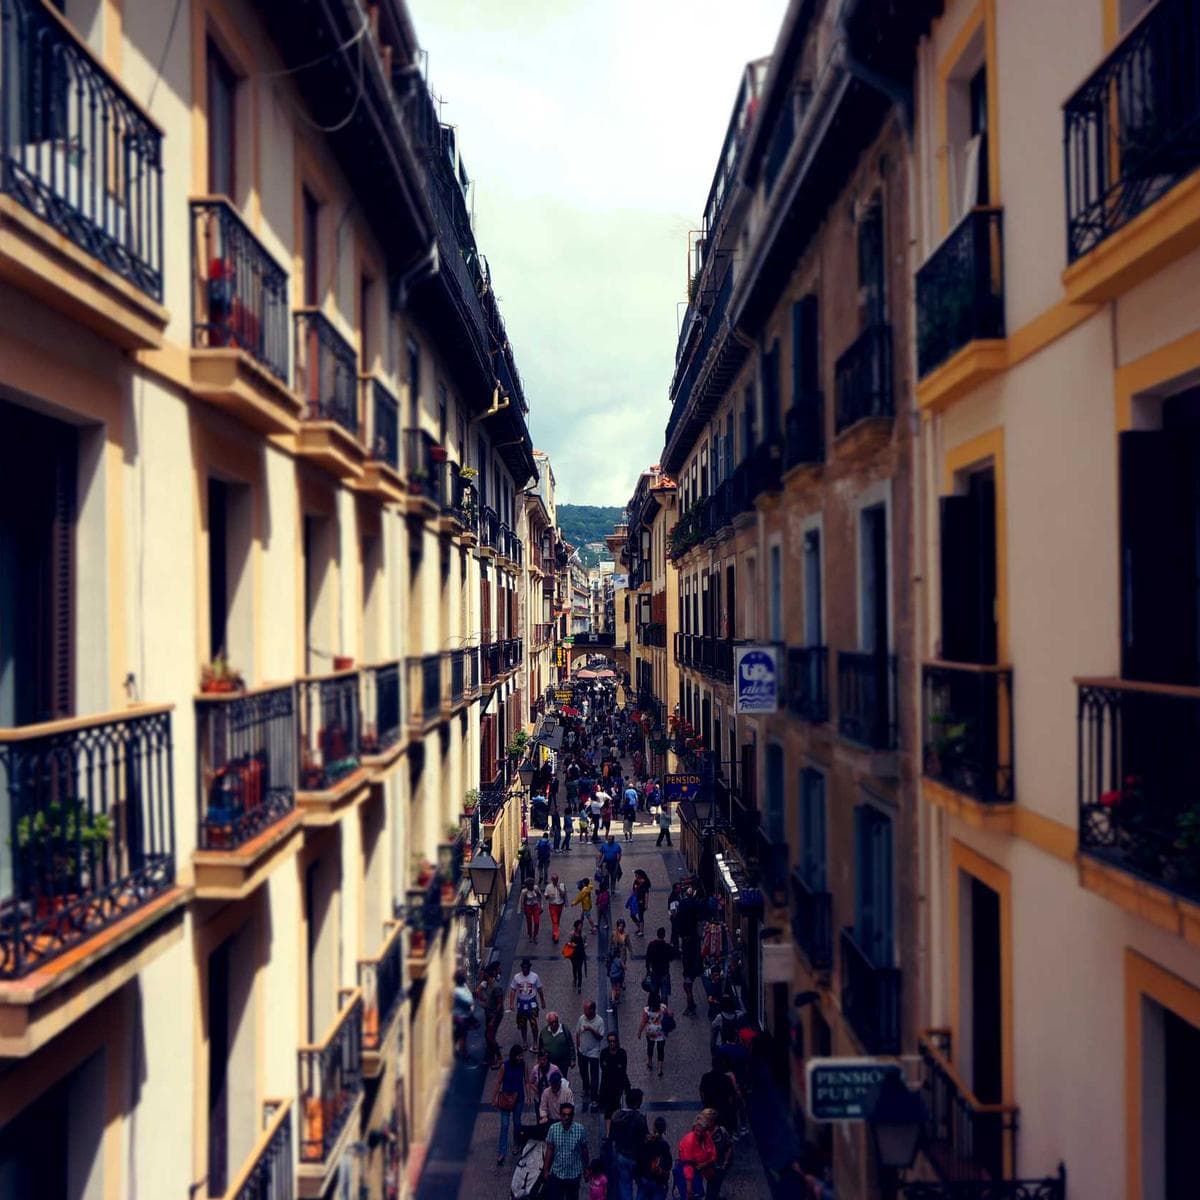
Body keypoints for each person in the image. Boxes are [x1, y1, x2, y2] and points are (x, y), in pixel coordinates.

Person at [543, 1101, 589, 1200]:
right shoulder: (553, 1129)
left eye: (569, 1115)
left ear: (572, 1116)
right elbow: (549, 1150)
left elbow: (584, 1150)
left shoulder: (580, 1129)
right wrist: (546, 1170)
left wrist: (586, 1169)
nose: (566, 1117)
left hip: (574, 1175)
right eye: (564, 1115)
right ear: (560, 1115)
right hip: (557, 1173)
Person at [609, 1087, 648, 1200]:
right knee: (643, 1184)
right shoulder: (640, 1119)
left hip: (621, 1155)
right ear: (637, 1103)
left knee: (625, 1185)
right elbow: (644, 1139)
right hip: (636, 1158)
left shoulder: (616, 1116)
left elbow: (612, 1137)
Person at [494, 1044, 527, 1165]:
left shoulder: (523, 1065)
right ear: (514, 1056)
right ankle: (502, 1151)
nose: (521, 1058)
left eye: (521, 1056)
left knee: (517, 1123)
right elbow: (498, 1082)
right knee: (505, 1124)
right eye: (519, 1056)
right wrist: (494, 1097)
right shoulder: (505, 1066)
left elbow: (526, 1080)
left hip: (518, 1098)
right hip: (506, 1099)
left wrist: (528, 1095)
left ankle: (516, 1143)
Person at [674, 1112, 717, 1200]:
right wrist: (689, 1187)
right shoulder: (689, 1142)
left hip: (700, 1171)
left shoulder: (706, 1136)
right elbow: (687, 1165)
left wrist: (705, 1164)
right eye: (696, 1130)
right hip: (687, 1173)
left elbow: (712, 1153)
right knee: (688, 1195)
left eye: (701, 1131)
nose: (698, 1133)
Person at [507, 958, 546, 1048]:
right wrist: (511, 1003)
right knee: (522, 1024)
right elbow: (513, 990)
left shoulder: (535, 976)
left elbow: (539, 989)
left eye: (526, 967)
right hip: (521, 1002)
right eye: (523, 968)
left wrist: (542, 1001)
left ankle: (535, 1042)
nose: (524, 969)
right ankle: (524, 1041)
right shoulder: (517, 977)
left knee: (533, 1024)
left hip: (531, 1002)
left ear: (529, 967)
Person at [597, 1031, 630, 1134]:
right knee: (608, 1109)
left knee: (615, 1107)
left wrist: (626, 1086)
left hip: (618, 1085)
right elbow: (604, 1067)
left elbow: (622, 1070)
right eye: (610, 1041)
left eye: (614, 1041)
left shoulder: (622, 1053)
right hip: (606, 1085)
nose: (612, 1043)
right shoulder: (604, 1053)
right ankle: (608, 1133)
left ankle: (613, 1129)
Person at [575, 1000, 605, 1110]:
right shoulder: (582, 1018)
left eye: (586, 1009)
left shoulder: (599, 1021)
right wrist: (578, 1046)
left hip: (594, 1052)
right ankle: (586, 1088)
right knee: (583, 1071)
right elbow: (577, 1032)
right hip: (582, 1051)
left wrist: (591, 1029)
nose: (584, 1011)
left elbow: (600, 1037)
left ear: (592, 1010)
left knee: (594, 1075)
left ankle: (594, 1098)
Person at [637, 991, 673, 1078]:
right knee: (661, 1049)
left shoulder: (647, 1010)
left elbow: (643, 1022)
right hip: (660, 1031)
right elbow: (670, 1014)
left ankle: (650, 1062)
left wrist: (639, 1032)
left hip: (651, 1031)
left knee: (650, 1046)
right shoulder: (663, 1007)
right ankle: (660, 1068)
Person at [635, 1117, 673, 1200]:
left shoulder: (646, 1142)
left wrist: (639, 1177)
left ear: (653, 1127)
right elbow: (668, 1164)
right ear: (664, 1129)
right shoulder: (664, 1145)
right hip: (659, 1181)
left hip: (645, 1179)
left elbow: (640, 1159)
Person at [478, 960, 506, 1068]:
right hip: (489, 1013)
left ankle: (499, 1057)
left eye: (484, 973)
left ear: (488, 974)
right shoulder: (489, 985)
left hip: (495, 1015)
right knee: (488, 1035)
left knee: (490, 1036)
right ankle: (492, 1057)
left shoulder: (496, 987)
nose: (482, 975)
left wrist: (493, 1019)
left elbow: (499, 1005)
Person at [704, 1110, 735, 1200]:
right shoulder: (704, 1132)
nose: (705, 1122)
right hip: (709, 1166)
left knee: (713, 1186)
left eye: (707, 1120)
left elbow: (729, 1146)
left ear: (713, 1122)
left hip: (719, 1166)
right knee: (712, 1186)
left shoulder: (722, 1132)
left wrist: (725, 1162)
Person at [540, 1012, 576, 1080]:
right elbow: (541, 1047)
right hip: (550, 1063)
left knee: (563, 1079)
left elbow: (571, 1045)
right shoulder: (544, 1032)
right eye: (551, 1022)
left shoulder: (564, 1030)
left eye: (556, 1022)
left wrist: (573, 1059)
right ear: (548, 1023)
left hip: (563, 1063)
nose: (554, 1024)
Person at [644, 928, 677, 1001]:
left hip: (655, 971)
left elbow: (648, 959)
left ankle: (654, 1007)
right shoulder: (667, 947)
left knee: (654, 992)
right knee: (664, 995)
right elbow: (672, 957)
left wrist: (648, 970)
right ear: (664, 935)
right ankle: (664, 1009)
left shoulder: (652, 945)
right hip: (664, 972)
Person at [452, 969, 477, 1060]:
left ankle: (455, 1049)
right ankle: (464, 1053)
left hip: (460, 1015)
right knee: (462, 1035)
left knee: (457, 1034)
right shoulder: (458, 991)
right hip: (461, 1017)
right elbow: (468, 1001)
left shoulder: (460, 987)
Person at [567, 920, 588, 993]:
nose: (581, 927)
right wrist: (572, 944)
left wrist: (584, 946)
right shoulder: (572, 934)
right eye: (579, 926)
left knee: (579, 969)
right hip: (573, 954)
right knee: (574, 968)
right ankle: (575, 978)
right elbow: (568, 942)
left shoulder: (583, 934)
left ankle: (579, 985)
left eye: (581, 926)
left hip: (580, 954)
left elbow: (585, 942)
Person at [545, 873, 567, 942]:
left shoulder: (562, 885)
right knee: (555, 920)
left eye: (556, 880)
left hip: (560, 905)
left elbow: (563, 894)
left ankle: (555, 931)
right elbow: (545, 896)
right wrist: (549, 896)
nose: (555, 881)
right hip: (552, 905)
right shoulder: (548, 887)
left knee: (557, 920)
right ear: (552, 880)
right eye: (554, 880)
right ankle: (556, 936)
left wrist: (558, 888)